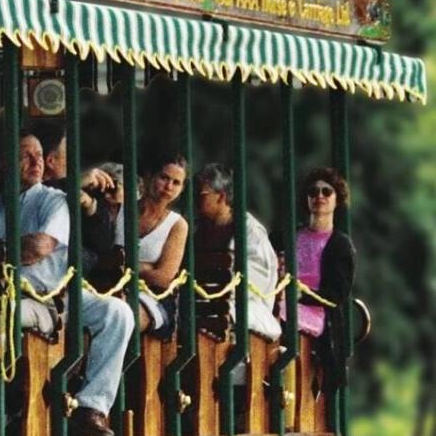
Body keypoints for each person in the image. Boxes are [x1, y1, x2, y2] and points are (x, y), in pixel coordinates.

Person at [0, 131, 134, 436]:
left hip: (55, 294)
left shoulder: (52, 198)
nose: (36, 162)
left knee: (118, 313)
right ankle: (7, 411)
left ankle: (92, 406)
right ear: (4, 162)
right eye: (25, 155)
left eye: (39, 155)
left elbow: (40, 247)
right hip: (11, 294)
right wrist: (7, 251)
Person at [286, 167, 357, 403]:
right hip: (285, 301)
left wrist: (300, 296)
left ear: (337, 199)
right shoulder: (292, 236)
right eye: (313, 192)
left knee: (281, 315)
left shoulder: (340, 245)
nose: (320, 196)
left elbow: (337, 294)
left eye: (327, 191)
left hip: (318, 314)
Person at [194, 163, 282, 340]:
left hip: (243, 304)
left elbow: (258, 278)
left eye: (201, 194)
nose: (194, 198)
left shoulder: (250, 230)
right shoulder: (196, 228)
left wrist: (218, 290)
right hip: (200, 302)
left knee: (218, 315)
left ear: (221, 196)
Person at [115, 152, 189, 337]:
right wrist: (147, 267)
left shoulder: (177, 224)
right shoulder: (119, 210)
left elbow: (164, 277)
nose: (169, 187)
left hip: (153, 299)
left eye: (176, 183)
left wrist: (126, 266)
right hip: (110, 289)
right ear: (149, 176)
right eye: (164, 178)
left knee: (121, 316)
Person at [40, 127, 118, 270]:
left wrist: (91, 208)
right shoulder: (28, 190)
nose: (75, 160)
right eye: (69, 154)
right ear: (51, 161)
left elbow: (103, 246)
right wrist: (72, 182)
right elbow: (36, 193)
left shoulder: (80, 188)